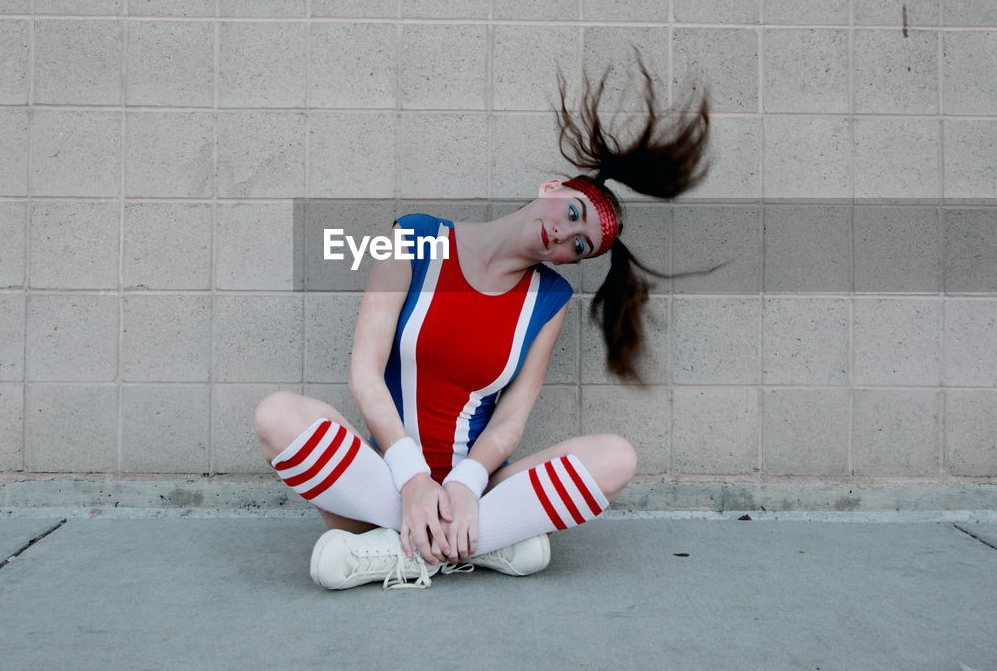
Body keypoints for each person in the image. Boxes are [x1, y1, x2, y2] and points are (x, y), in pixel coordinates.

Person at [254, 55, 711, 589]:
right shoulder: (415, 236)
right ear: (552, 188)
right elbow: (365, 373)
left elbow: (511, 420)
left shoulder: (549, 298)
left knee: (616, 457)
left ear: (573, 261)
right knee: (276, 416)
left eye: (579, 244)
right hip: (381, 484)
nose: (563, 237)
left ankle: (401, 550)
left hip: (480, 492)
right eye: (570, 214)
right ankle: (477, 543)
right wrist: (413, 480)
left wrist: (466, 487)